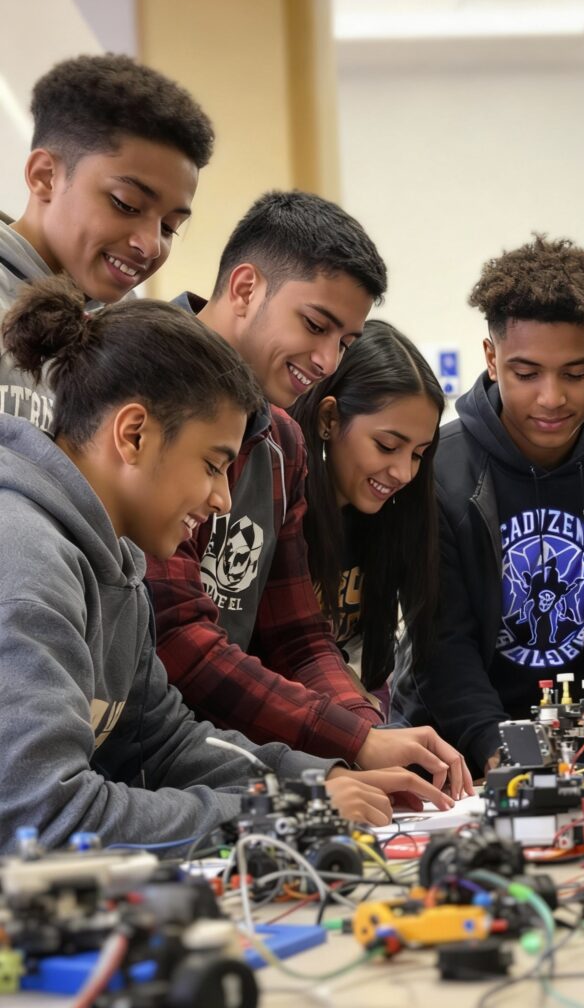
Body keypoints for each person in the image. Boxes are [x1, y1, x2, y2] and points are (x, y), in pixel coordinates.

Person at [0, 278, 441, 850]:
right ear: (133, 435)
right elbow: (45, 817)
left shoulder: (120, 564)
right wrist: (284, 812)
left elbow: (163, 742)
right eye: (212, 465)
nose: (223, 500)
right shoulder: (27, 567)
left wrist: (318, 780)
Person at [145, 192, 472, 799]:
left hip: (228, 762)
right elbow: (175, 638)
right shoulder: (138, 382)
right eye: (315, 325)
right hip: (145, 769)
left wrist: (371, 732)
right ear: (244, 288)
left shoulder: (283, 442)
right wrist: (352, 745)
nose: (325, 360)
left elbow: (298, 637)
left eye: (344, 343)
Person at [394, 234, 584, 781]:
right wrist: (494, 746)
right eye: (527, 374)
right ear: (492, 358)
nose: (551, 398)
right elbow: (441, 643)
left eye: (575, 373)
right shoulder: (435, 470)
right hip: (457, 754)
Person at [0, 54, 213, 429]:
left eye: (169, 227)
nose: (149, 246)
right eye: (126, 204)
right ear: (45, 176)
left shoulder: (133, 345)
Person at [290, 320, 444, 716]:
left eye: (417, 454)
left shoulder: (385, 523)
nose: (404, 473)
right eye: (387, 445)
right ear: (329, 420)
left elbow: (370, 673)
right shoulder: (284, 514)